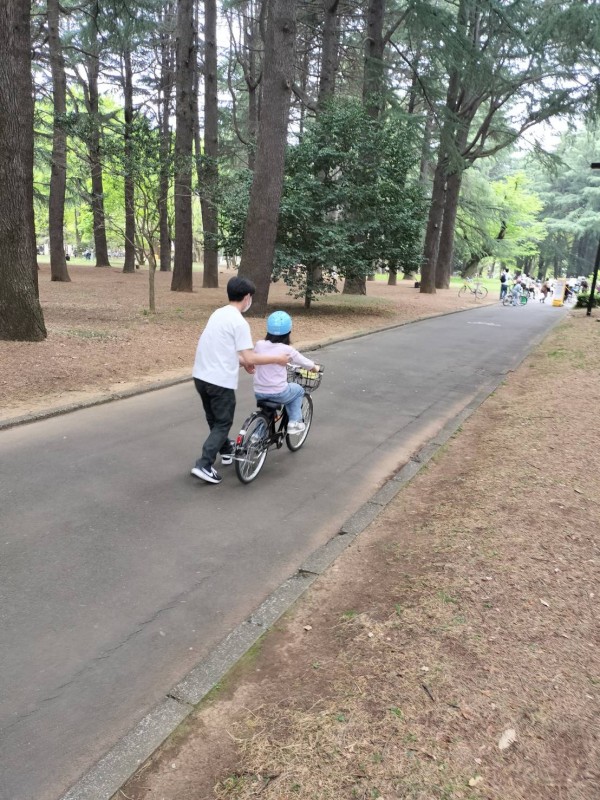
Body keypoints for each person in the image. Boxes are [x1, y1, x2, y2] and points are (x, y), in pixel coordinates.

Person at [191, 277, 290, 485]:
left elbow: (223, 349)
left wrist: (243, 362)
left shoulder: (218, 314)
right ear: (247, 297)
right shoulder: (239, 322)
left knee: (214, 419)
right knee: (223, 421)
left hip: (200, 375)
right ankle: (204, 464)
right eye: (250, 298)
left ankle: (226, 450)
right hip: (219, 381)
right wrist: (278, 359)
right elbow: (251, 357)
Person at [253, 311, 320, 433]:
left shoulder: (259, 345)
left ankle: (256, 436)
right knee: (298, 390)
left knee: (267, 413)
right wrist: (315, 368)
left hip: (259, 392)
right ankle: (294, 422)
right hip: (278, 392)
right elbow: (305, 363)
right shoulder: (287, 349)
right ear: (288, 332)